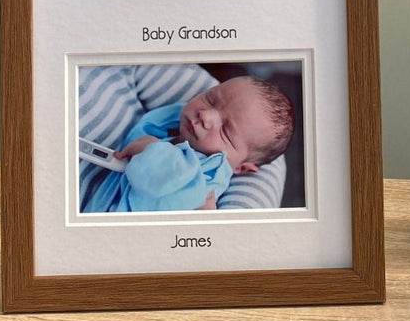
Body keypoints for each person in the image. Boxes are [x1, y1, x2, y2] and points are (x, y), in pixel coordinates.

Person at [80, 67, 293, 213]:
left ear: (242, 168)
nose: (206, 116)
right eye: (210, 99)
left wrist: (151, 150)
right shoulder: (176, 129)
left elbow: (157, 184)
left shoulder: (208, 174)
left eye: (226, 131)